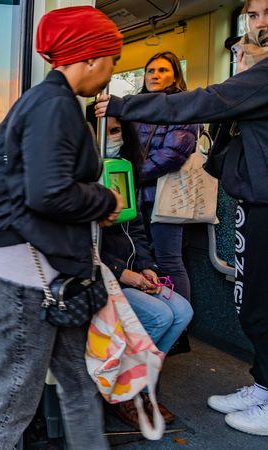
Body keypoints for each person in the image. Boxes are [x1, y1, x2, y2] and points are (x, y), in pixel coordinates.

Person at [96, 0, 268, 435]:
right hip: (255, 200)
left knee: (259, 306)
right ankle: (263, 385)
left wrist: (120, 103)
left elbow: (199, 104)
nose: (260, 23)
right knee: (252, 304)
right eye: (254, 16)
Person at [0, 7, 123, 450]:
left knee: (77, 384)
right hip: (25, 276)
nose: (112, 72)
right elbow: (48, 193)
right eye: (111, 60)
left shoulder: (46, 101)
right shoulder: (55, 105)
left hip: (50, 276)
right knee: (12, 399)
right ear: (91, 58)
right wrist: (105, 200)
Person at [88, 111, 194, 429]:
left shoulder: (124, 173)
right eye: (104, 131)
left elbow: (135, 230)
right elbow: (87, 243)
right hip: (105, 275)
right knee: (161, 316)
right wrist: (123, 272)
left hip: (131, 272)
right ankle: (127, 394)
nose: (112, 137)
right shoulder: (83, 179)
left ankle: (139, 384)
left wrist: (147, 267)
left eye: (117, 130)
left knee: (183, 311)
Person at [133, 51, 202, 302]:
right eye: (150, 70)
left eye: (162, 70)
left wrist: (134, 174)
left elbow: (173, 153)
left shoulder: (182, 106)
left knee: (169, 261)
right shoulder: (138, 105)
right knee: (143, 260)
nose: (155, 75)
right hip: (139, 195)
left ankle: (179, 327)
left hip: (166, 194)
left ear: (175, 76)